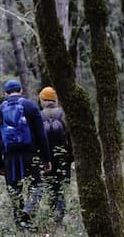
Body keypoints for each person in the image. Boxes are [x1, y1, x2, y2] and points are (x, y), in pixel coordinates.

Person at [0, 80, 52, 230]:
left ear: (5, 93)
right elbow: (41, 135)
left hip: (9, 157)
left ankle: (20, 226)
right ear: (21, 91)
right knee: (36, 186)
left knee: (14, 190)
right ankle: (30, 211)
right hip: (30, 155)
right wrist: (46, 159)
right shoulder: (30, 106)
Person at [38, 86, 73, 224]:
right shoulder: (64, 114)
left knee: (50, 186)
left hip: (46, 159)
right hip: (63, 157)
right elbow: (70, 136)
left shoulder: (39, 116)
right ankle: (60, 216)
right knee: (62, 187)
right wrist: (71, 156)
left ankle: (54, 214)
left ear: (43, 100)